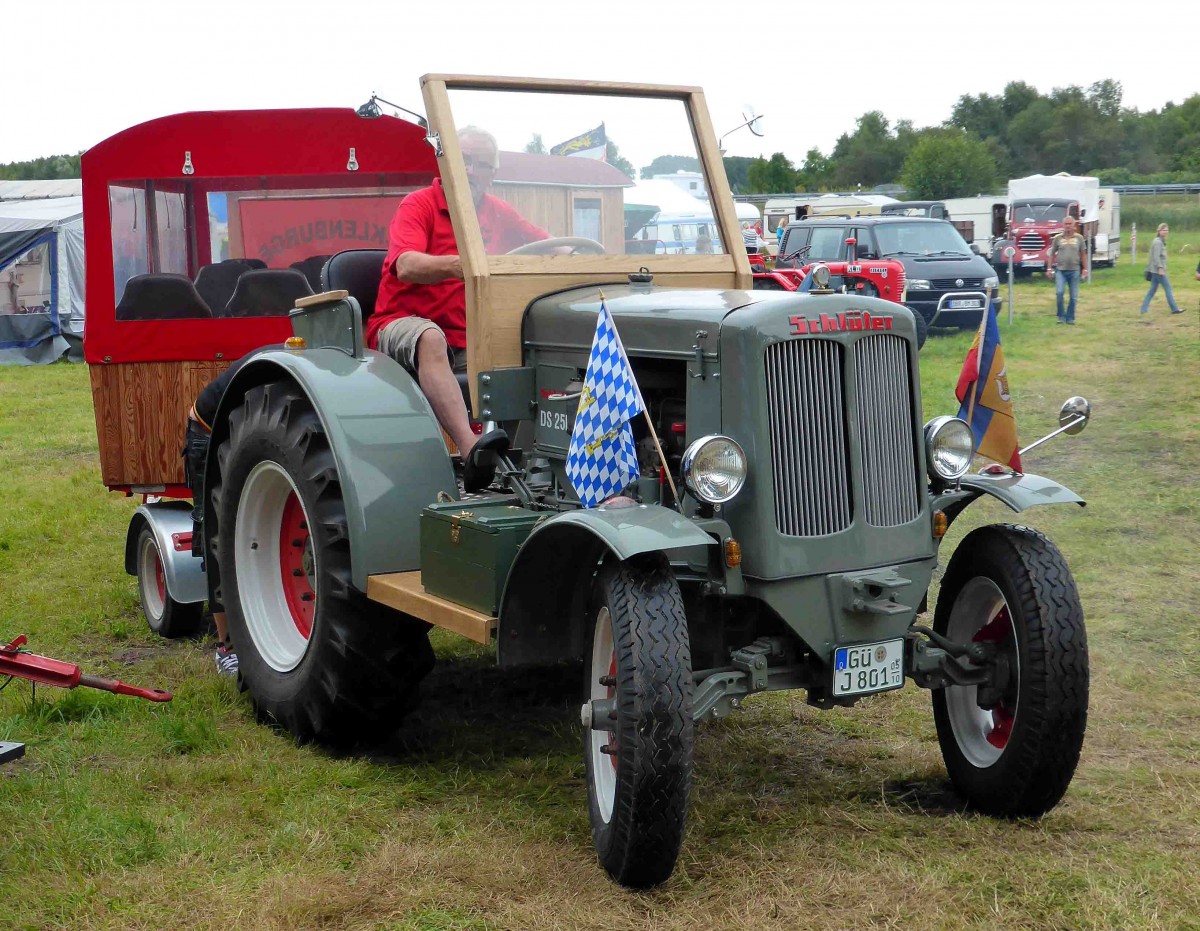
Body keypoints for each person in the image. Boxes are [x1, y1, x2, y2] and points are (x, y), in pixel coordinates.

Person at [369, 126, 551, 490]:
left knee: (528, 348)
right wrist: (464, 264)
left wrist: (574, 255)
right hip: (401, 324)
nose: (470, 171)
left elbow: (547, 245)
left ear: (493, 173)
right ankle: (472, 450)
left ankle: (523, 462)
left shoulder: (497, 211)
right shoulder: (419, 204)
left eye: (480, 164)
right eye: (463, 160)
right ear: (447, 163)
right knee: (429, 336)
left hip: (466, 335)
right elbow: (406, 265)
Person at [183, 348, 281, 676]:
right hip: (206, 432)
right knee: (216, 532)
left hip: (240, 429)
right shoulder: (288, 361)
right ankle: (226, 647)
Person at [1046, 216, 1087, 325]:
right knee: (1059, 293)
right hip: (1060, 270)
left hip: (1074, 270)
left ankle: (1070, 318)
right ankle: (1061, 316)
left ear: (1074, 225)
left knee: (1073, 297)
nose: (1068, 226)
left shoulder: (1079, 238)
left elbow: (1083, 254)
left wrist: (1085, 269)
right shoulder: (1058, 238)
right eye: (1066, 224)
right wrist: (1049, 268)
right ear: (1063, 225)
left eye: (1070, 224)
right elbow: (1052, 254)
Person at [1141, 223, 1184, 316]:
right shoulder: (1158, 242)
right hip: (1158, 271)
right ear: (1159, 231)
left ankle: (1143, 309)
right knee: (1168, 288)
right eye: (1163, 230)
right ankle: (1174, 309)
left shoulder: (1160, 241)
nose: (1165, 232)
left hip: (1155, 271)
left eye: (1167, 230)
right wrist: (1160, 268)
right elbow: (1156, 257)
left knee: (1152, 291)